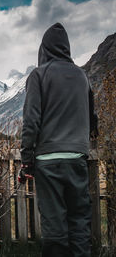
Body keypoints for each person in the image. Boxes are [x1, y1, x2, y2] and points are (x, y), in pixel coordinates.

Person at [19, 22, 98, 257]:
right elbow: (93, 119)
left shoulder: (39, 75)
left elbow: (31, 121)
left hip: (49, 161)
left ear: (44, 49)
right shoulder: (82, 76)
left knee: (55, 226)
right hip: (77, 159)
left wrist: (26, 160)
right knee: (79, 221)